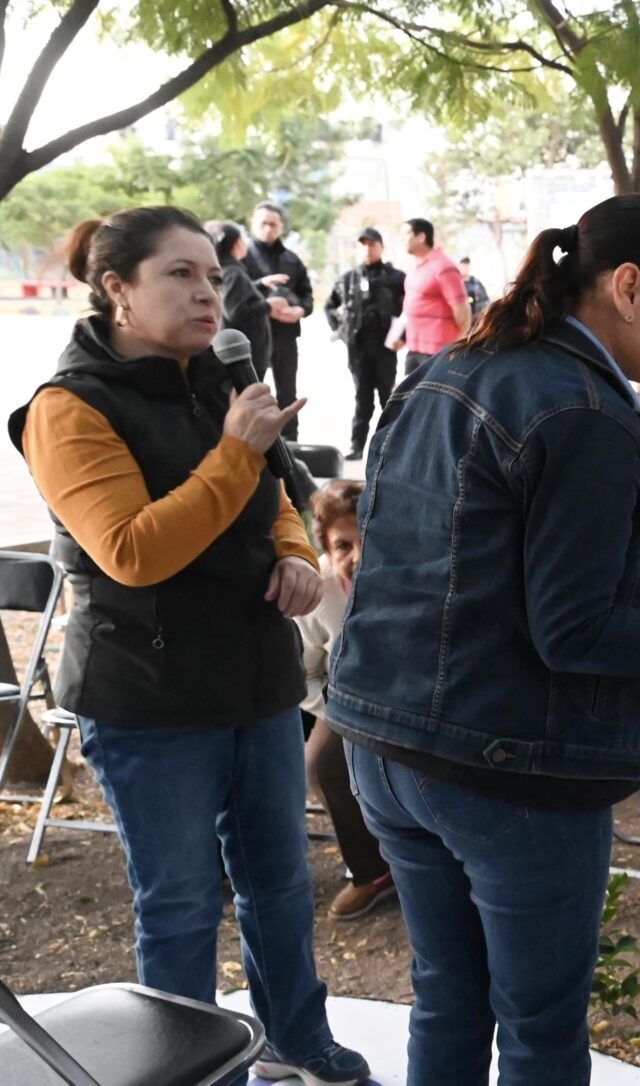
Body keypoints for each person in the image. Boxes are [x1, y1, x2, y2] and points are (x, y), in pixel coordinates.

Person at [325, 194, 640, 1086]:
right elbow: (579, 631)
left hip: (384, 742)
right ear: (628, 287)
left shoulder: (450, 371)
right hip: (506, 766)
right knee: (540, 1032)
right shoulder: (584, 412)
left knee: (448, 994)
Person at [8, 206, 369, 1086]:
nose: (209, 292)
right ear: (117, 290)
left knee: (280, 885)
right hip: (150, 696)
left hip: (254, 678)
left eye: (213, 274)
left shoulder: (219, 379)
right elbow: (131, 551)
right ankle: (188, 1071)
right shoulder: (67, 408)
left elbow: (280, 501)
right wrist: (236, 455)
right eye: (180, 275)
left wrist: (293, 557)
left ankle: (298, 1043)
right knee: (178, 904)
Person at [295, 481, 394, 920]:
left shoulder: (412, 572)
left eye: (367, 540)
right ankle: (372, 872)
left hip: (416, 694)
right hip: (347, 700)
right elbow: (306, 673)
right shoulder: (318, 589)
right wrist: (334, 712)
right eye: (343, 545)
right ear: (327, 548)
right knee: (324, 762)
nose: (357, 556)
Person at [325, 227, 405, 460]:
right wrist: (341, 329)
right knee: (362, 398)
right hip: (358, 349)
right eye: (363, 244)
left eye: (372, 244)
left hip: (385, 348)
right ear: (357, 249)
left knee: (387, 399)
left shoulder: (396, 278)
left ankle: (391, 447)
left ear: (381, 247)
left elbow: (410, 310)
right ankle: (357, 446)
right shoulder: (348, 279)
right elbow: (330, 306)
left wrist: (404, 337)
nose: (368, 248)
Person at [242, 201, 313, 440]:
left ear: (281, 227)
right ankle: (248, 443)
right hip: (252, 335)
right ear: (253, 224)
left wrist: (300, 310)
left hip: (285, 335)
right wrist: (262, 290)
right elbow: (231, 294)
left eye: (273, 224)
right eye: (263, 223)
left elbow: (307, 295)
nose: (268, 229)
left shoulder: (292, 259)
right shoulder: (242, 257)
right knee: (251, 392)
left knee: (287, 393)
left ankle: (291, 446)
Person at [398, 217, 470, 375]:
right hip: (415, 349)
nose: (401, 239)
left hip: (437, 352)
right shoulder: (416, 266)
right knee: (409, 399)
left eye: (406, 234)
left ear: (421, 237)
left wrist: (461, 347)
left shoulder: (444, 267)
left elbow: (462, 308)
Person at [205, 220, 272, 379]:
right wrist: (268, 306)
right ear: (236, 244)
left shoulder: (225, 270)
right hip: (244, 354)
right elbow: (236, 311)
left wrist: (261, 284)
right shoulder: (233, 272)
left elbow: (234, 295)